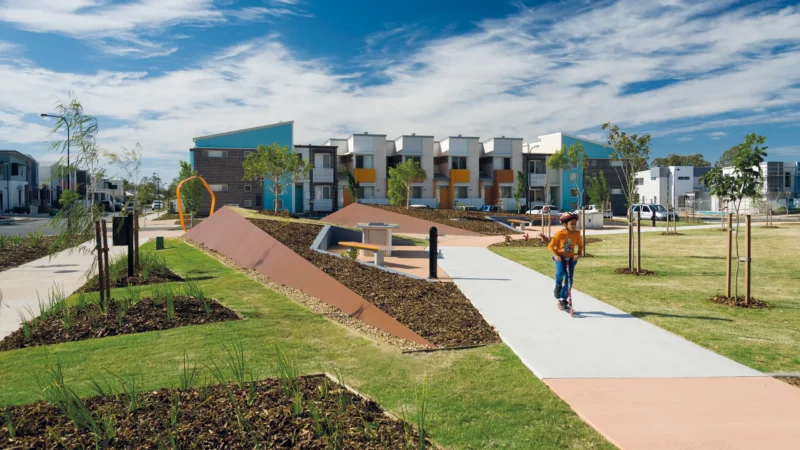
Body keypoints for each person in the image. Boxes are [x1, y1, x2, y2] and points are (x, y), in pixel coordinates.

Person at [547, 211, 582, 309]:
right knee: (560, 273)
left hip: (571, 259)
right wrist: (556, 255)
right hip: (560, 258)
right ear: (565, 224)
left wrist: (577, 255)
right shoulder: (560, 234)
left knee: (569, 279)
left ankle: (564, 299)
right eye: (571, 224)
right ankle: (558, 286)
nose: (574, 226)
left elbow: (580, 247)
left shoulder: (577, 234)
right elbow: (550, 246)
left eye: (575, 223)